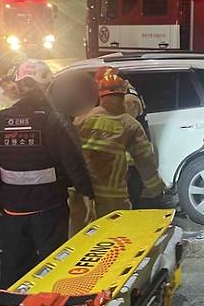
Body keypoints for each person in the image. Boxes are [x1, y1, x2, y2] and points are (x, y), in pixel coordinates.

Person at [0, 59, 95, 289]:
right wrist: (86, 193)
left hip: (12, 208)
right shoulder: (54, 120)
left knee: (13, 263)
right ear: (46, 86)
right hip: (49, 207)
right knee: (53, 263)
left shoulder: (0, 120)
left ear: (20, 87)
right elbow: (73, 161)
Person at [68, 67, 165, 236]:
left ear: (100, 95)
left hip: (83, 194)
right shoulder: (129, 123)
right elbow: (145, 159)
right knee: (114, 239)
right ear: (122, 94)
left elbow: (68, 153)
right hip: (114, 196)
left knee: (81, 240)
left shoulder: (83, 118)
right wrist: (156, 188)